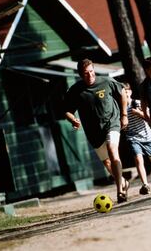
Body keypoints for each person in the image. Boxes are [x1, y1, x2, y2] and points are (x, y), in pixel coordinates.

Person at [64, 59, 129, 203]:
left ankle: (120, 191)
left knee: (113, 151)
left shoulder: (106, 82)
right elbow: (67, 111)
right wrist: (72, 119)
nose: (90, 76)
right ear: (81, 74)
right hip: (93, 131)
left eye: (92, 72)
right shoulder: (76, 90)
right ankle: (123, 181)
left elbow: (123, 92)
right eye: (86, 73)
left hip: (112, 123)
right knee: (106, 162)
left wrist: (124, 115)